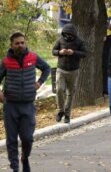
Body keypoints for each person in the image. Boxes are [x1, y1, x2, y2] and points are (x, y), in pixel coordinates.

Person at [0, 32, 51, 172]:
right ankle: (15, 168)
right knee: (11, 140)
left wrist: (40, 82)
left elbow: (47, 68)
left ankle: (25, 157)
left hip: (28, 105)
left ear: (25, 43)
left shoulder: (33, 58)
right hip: (11, 106)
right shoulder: (6, 62)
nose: (20, 45)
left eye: (22, 42)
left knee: (27, 138)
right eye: (17, 43)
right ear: (11, 45)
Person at [52, 23, 88, 124]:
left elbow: (84, 53)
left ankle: (67, 115)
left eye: (70, 34)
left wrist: (74, 53)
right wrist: (60, 52)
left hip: (74, 70)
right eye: (66, 34)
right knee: (59, 90)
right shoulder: (60, 40)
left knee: (70, 93)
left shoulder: (80, 41)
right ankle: (60, 111)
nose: (68, 36)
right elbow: (53, 51)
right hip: (61, 69)